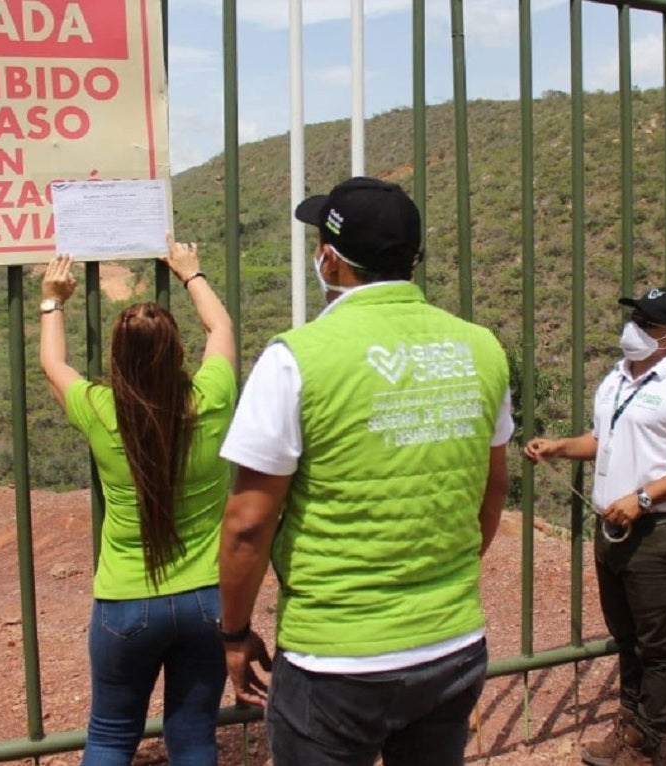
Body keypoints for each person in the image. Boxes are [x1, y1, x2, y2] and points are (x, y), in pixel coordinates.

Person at [216, 176, 513, 766]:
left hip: (337, 661)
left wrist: (233, 632)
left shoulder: (295, 359)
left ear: (330, 258)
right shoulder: (480, 348)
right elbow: (491, 487)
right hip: (452, 644)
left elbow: (248, 524)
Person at [39, 236, 237, 765]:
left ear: (117, 360)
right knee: (194, 734)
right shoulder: (211, 399)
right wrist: (191, 273)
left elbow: (52, 363)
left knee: (109, 734)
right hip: (206, 601)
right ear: (178, 353)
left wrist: (52, 300)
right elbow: (221, 329)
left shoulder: (101, 410)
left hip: (126, 601)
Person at [524, 286, 666, 766]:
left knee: (658, 645)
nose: (633, 331)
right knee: (628, 638)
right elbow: (602, 438)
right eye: (634, 319)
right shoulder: (614, 379)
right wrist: (559, 447)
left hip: (662, 534)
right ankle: (629, 728)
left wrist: (644, 498)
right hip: (613, 531)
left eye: (647, 325)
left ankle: (646, 742)